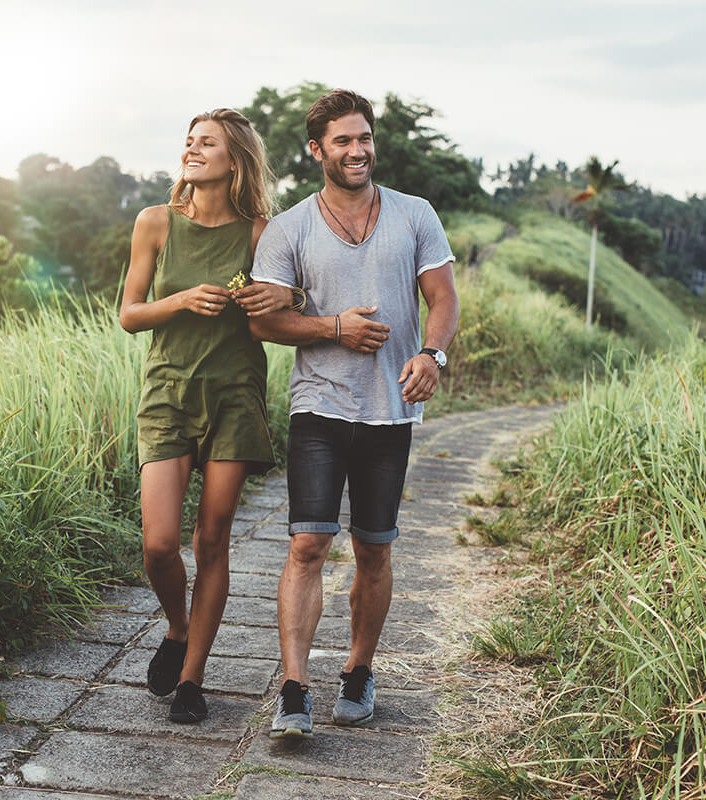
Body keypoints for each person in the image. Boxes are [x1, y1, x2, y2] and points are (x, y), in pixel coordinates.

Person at [248, 89, 460, 739]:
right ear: (317, 150)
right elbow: (266, 320)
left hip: (391, 411)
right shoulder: (290, 227)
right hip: (319, 404)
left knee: (374, 548)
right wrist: (333, 328)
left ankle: (359, 671)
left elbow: (443, 298)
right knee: (308, 541)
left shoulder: (414, 214)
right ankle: (293, 688)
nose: (357, 149)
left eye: (363, 137)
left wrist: (432, 354)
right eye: (342, 140)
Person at [119, 108, 292, 724]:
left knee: (211, 540)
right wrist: (182, 300)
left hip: (235, 396)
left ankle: (192, 679)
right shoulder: (156, 223)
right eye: (189, 142)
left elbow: (283, 307)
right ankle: (175, 626)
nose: (192, 150)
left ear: (234, 159)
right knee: (160, 543)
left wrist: (280, 295)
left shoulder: (259, 234)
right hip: (167, 392)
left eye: (206, 143)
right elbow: (130, 313)